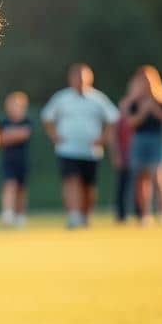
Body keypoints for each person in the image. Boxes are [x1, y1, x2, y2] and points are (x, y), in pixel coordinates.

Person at [40, 63, 120, 229]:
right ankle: (74, 216)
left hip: (91, 151)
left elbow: (113, 119)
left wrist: (103, 138)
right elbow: (47, 117)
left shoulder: (98, 99)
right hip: (67, 149)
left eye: (84, 78)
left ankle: (85, 216)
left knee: (88, 187)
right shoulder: (62, 98)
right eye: (77, 78)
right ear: (71, 79)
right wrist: (54, 135)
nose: (80, 81)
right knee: (71, 181)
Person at [120, 65, 162, 224]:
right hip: (140, 140)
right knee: (142, 179)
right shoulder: (134, 102)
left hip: (158, 140)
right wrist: (143, 111)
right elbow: (130, 123)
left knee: (158, 175)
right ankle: (145, 214)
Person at [0, 91, 33, 227]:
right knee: (9, 186)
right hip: (8, 161)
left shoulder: (27, 121)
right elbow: (1, 139)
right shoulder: (4, 122)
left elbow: (25, 134)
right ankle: (8, 214)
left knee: (21, 189)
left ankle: (20, 215)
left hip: (23, 161)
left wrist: (11, 135)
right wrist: (16, 134)